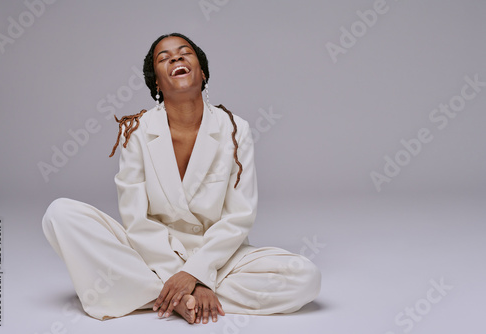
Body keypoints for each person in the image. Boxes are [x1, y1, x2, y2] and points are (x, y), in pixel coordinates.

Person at [42, 33, 321, 325]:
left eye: (185, 52)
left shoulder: (235, 129)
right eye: (163, 58)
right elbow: (135, 221)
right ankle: (176, 294)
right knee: (59, 214)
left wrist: (198, 273)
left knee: (305, 277)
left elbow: (239, 215)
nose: (175, 57)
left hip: (219, 255)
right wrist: (182, 273)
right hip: (152, 254)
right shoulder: (136, 132)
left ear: (202, 73)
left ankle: (155, 295)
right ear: (157, 84)